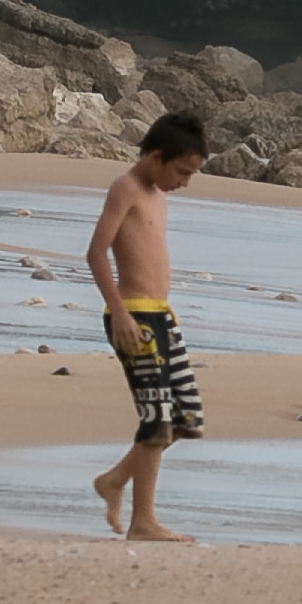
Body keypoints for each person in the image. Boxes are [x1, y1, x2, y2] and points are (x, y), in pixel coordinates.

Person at [87, 110, 208, 540]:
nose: (185, 182)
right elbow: (96, 253)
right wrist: (119, 312)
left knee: (185, 418)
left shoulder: (158, 194)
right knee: (156, 420)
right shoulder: (126, 188)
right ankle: (143, 521)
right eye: (182, 172)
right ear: (156, 156)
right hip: (133, 316)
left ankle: (115, 479)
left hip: (161, 316)